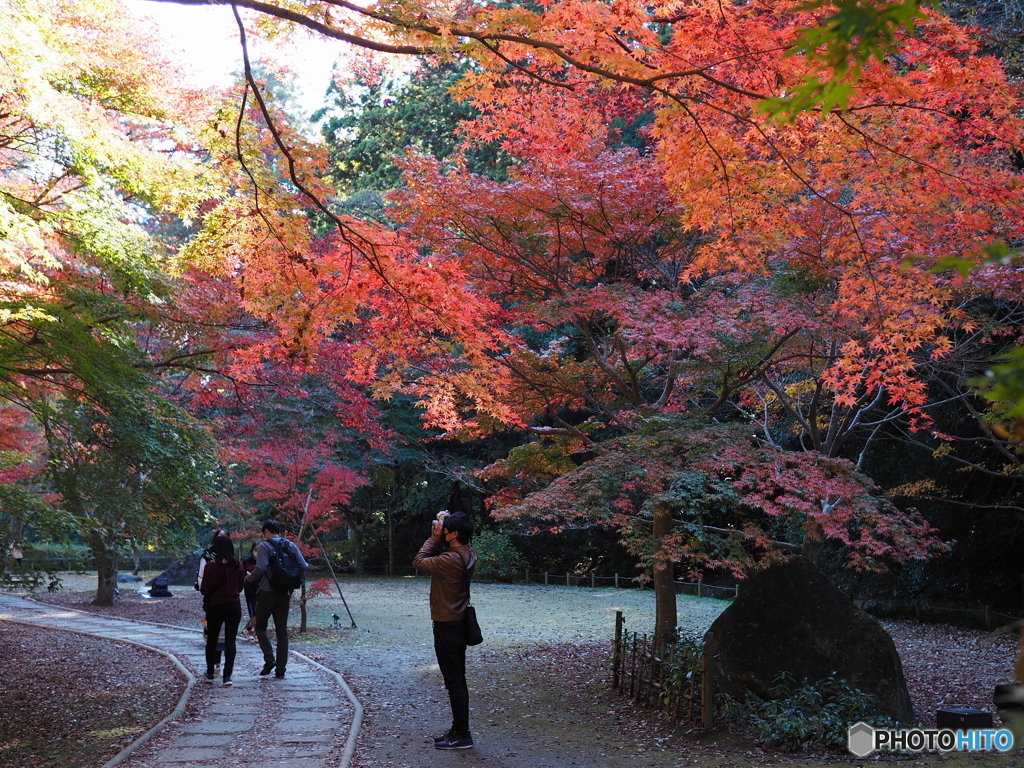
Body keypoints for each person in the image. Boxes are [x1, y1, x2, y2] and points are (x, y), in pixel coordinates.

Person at [412, 510, 478, 750]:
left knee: (454, 682)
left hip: (447, 626)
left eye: (446, 529)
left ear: (454, 534)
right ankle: (458, 730)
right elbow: (447, 551)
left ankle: (463, 735)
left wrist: (433, 537)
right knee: (456, 680)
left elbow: (418, 561)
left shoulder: (449, 560)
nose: (442, 531)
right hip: (458, 624)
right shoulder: (468, 553)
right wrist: (445, 525)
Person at [246, 520, 307, 679]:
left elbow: (261, 567)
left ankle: (269, 659)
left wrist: (250, 578)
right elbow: (303, 565)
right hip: (284, 593)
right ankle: (281, 669)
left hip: (267, 591)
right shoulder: (290, 545)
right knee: (282, 631)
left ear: (266, 531)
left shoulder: (264, 546)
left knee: (260, 626)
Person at [199, 534, 245, 687]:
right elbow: (240, 587)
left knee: (212, 639)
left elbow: (204, 590)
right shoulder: (238, 565)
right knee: (230, 641)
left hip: (215, 606)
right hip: (233, 605)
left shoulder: (211, 566)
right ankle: (227, 676)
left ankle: (210, 672)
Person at [242, 544, 259, 638]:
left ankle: (252, 631)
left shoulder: (263, 561)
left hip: (261, 591)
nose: (257, 552)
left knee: (259, 616)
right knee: (253, 616)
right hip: (249, 592)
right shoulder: (246, 562)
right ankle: (249, 630)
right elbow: (242, 574)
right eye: (255, 549)